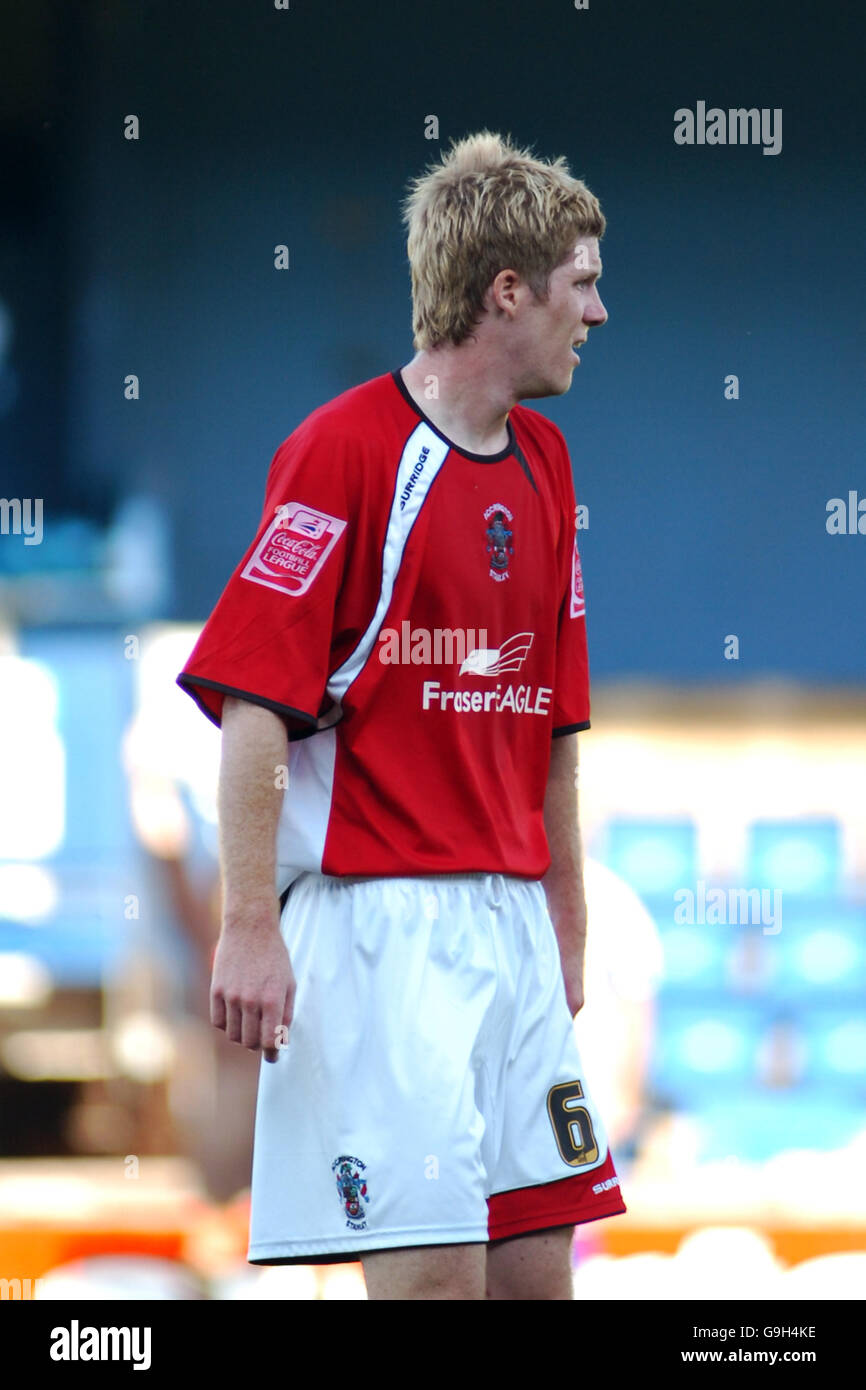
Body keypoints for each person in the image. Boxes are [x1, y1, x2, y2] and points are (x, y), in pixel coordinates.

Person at [177, 130, 623, 1300]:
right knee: (431, 1289)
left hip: (512, 927)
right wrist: (247, 926)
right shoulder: (339, 452)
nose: (599, 312)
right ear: (506, 290)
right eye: (581, 284)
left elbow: (553, 719)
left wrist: (563, 912)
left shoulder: (550, 462)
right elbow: (251, 704)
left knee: (539, 1283)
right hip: (382, 934)